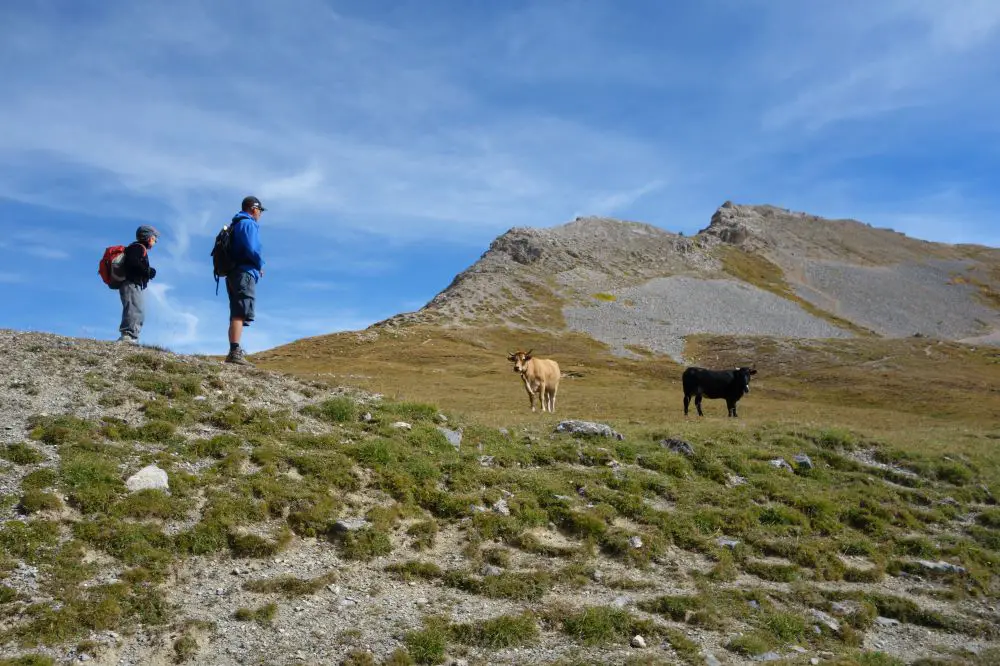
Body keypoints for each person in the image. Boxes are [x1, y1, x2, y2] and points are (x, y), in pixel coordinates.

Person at [225, 195, 266, 365]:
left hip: (233, 272)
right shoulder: (248, 224)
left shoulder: (236, 224)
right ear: (254, 208)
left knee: (237, 311)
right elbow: (251, 248)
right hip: (244, 272)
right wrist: (259, 264)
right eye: (260, 210)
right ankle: (235, 352)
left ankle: (234, 350)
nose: (260, 214)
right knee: (240, 312)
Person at [118, 225, 159, 344]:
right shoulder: (137, 247)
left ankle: (132, 337)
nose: (155, 241)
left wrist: (147, 272)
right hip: (130, 283)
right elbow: (132, 263)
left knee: (137, 309)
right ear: (147, 237)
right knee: (134, 308)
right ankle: (127, 336)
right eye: (154, 238)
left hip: (133, 284)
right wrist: (147, 271)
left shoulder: (137, 248)